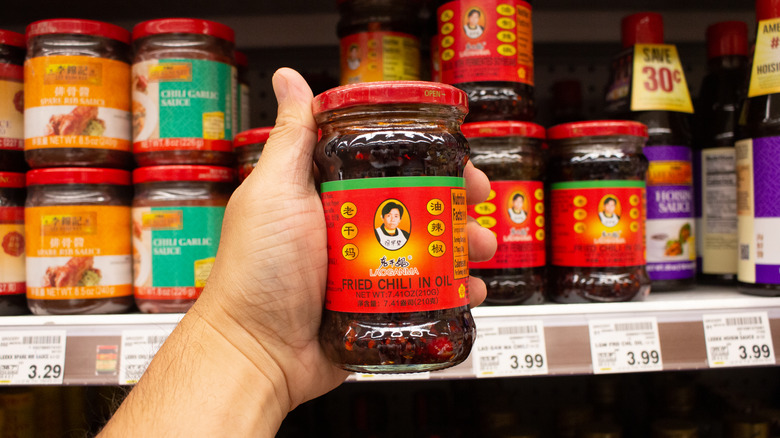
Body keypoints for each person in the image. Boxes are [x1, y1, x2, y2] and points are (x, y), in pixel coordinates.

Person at [98, 68, 496, 437]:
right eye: (387, 216)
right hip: (349, 325)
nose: (392, 221)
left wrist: (246, 348)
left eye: (395, 216)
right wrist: (251, 338)